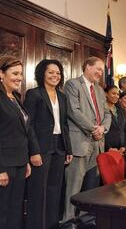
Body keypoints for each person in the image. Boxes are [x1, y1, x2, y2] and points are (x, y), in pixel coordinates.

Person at [23, 59, 73, 229]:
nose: (55, 75)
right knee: (38, 191)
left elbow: (64, 124)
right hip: (41, 148)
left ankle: (51, 225)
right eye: (51, 72)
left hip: (59, 146)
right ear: (42, 73)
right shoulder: (34, 94)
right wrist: (33, 151)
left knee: (54, 190)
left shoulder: (62, 96)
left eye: (58, 72)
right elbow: (28, 126)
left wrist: (68, 149)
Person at [62, 56, 111, 224]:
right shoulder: (73, 84)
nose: (100, 73)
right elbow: (73, 112)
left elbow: (106, 114)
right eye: (97, 69)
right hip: (80, 142)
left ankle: (86, 216)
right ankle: (68, 219)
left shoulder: (99, 90)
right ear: (87, 67)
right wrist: (93, 129)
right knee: (74, 184)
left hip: (98, 144)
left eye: (102, 71)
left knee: (92, 184)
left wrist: (103, 128)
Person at [0, 56, 37, 229]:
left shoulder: (15, 97)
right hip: (4, 165)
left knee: (16, 209)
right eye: (15, 73)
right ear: (1, 74)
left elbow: (23, 131)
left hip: (20, 163)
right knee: (3, 211)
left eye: (21, 74)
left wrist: (26, 160)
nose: (19, 78)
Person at [104, 85, 126, 156]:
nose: (116, 96)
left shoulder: (121, 110)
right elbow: (102, 132)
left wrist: (125, 147)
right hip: (107, 151)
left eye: (118, 94)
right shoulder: (101, 110)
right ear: (106, 94)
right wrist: (108, 148)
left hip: (121, 151)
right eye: (113, 93)